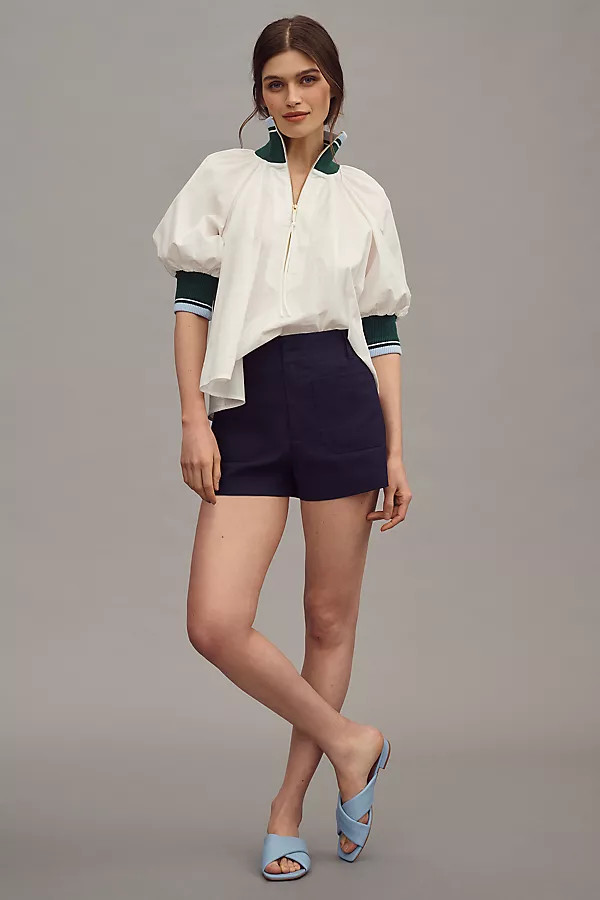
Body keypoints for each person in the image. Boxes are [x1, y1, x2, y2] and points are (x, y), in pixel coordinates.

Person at [152, 14, 413, 881]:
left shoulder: (365, 196)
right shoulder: (224, 180)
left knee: (328, 619)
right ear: (259, 95)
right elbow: (192, 306)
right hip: (248, 408)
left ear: (332, 84)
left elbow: (382, 332)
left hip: (342, 403)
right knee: (215, 622)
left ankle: (287, 810)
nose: (293, 97)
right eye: (276, 83)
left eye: (308, 79)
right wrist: (193, 419)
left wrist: (396, 452)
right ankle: (352, 741)